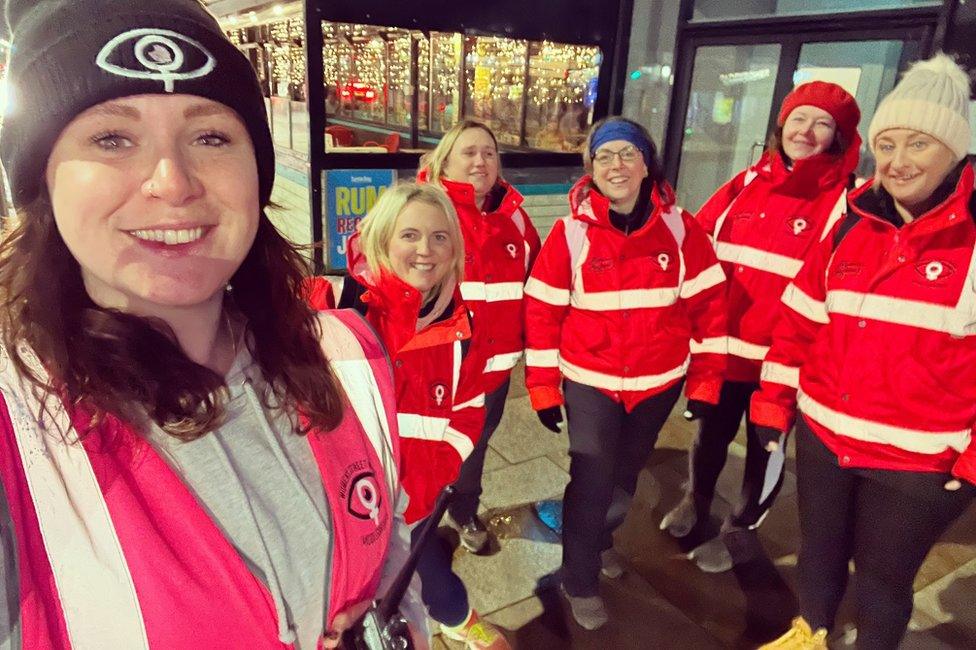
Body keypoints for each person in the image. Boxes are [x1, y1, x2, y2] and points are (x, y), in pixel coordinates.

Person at [0, 1, 425, 648]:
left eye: (210, 137)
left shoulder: (348, 354)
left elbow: (390, 537)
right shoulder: (16, 440)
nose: (172, 183)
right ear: (42, 183)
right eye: (112, 138)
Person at [753, 54, 975, 650]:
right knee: (819, 559)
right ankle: (811, 634)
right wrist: (774, 406)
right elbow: (798, 323)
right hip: (825, 437)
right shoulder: (851, 225)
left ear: (955, 150)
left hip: (917, 465)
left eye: (919, 144)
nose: (898, 162)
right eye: (888, 144)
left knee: (882, 583)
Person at [524, 116, 728, 630]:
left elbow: (710, 308)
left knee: (624, 478)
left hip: (657, 385)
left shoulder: (681, 229)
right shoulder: (571, 233)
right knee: (593, 479)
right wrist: (545, 387)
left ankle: (599, 540)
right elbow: (543, 311)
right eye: (604, 156)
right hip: (590, 382)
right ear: (591, 169)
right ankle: (579, 577)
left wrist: (706, 381)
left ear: (646, 164)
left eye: (627, 154)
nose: (616, 165)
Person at [660, 82, 862, 572]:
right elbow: (697, 247)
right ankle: (697, 499)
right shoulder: (746, 183)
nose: (806, 132)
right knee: (710, 434)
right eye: (798, 119)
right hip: (727, 349)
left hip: (785, 361)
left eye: (822, 124)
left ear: (839, 136)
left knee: (766, 448)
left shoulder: (849, 203)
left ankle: (740, 527)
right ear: (781, 125)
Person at [336, 182, 510, 650]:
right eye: (409, 235)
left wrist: (431, 480)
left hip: (417, 504)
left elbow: (470, 413)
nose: (425, 250)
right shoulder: (346, 317)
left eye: (439, 237)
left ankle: (458, 618)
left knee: (429, 586)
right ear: (382, 240)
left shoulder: (463, 331)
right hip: (348, 509)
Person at [419, 120, 541, 553]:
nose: (480, 161)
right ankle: (415, 523)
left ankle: (463, 510)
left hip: (493, 370)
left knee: (472, 447)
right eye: (468, 152)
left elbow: (538, 289)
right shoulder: (423, 211)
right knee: (421, 447)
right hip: (432, 368)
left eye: (488, 153)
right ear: (445, 160)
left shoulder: (516, 221)